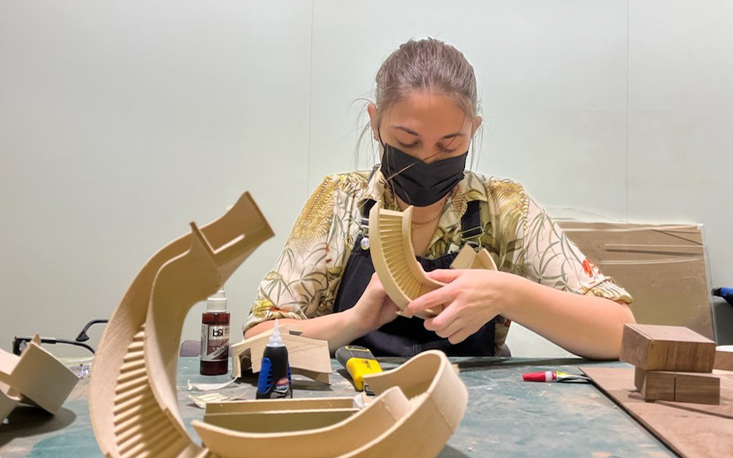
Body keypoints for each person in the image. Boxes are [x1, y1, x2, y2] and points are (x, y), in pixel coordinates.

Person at [244, 38, 635, 359]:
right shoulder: (340, 201)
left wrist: (507, 294)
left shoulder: (504, 208)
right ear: (375, 121)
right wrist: (354, 321)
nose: (427, 160)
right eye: (407, 141)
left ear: (473, 131)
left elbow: (621, 332)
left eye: (449, 145)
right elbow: (258, 343)